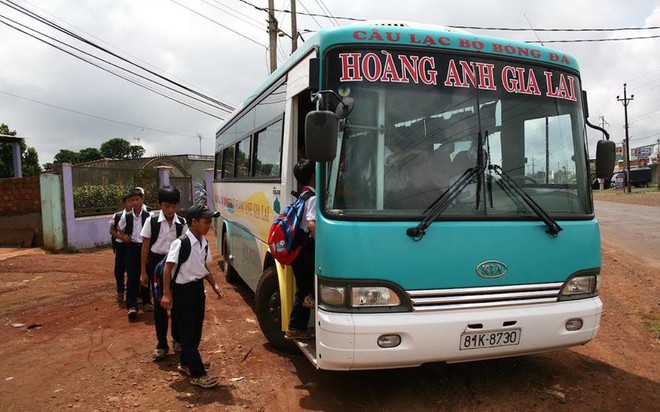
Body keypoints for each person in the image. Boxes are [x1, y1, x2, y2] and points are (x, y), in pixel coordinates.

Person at [160, 204, 223, 389]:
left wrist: (214, 285)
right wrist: (165, 294)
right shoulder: (180, 243)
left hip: (197, 290)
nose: (209, 226)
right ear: (193, 222)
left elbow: (203, 267)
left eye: (210, 222)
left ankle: (186, 363)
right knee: (188, 334)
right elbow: (167, 269)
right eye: (206, 222)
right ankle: (198, 373)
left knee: (196, 332)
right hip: (182, 292)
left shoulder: (203, 243)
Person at [140, 186, 186, 360]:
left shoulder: (182, 223)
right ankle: (161, 344)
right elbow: (145, 247)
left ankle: (177, 339)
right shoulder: (151, 222)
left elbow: (185, 247)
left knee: (177, 304)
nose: (170, 210)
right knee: (160, 305)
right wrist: (143, 272)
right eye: (167, 206)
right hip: (157, 266)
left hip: (175, 267)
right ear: (159, 204)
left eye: (174, 206)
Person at [285, 158, 317, 340]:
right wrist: (321, 244)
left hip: (298, 248)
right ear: (314, 176)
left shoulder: (303, 194)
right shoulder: (312, 197)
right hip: (306, 248)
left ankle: (296, 328)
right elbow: (311, 224)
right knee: (307, 289)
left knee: (303, 289)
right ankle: (295, 328)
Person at [117, 187, 153, 321]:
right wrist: (124, 237)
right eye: (132, 200)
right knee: (132, 276)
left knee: (146, 275)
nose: (135, 202)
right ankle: (131, 306)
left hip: (146, 248)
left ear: (142, 200)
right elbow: (119, 228)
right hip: (132, 248)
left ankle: (147, 301)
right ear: (129, 202)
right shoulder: (126, 216)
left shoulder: (149, 215)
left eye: (137, 199)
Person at [109, 193, 131, 303]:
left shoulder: (139, 216)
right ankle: (120, 290)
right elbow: (112, 230)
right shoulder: (118, 216)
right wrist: (122, 237)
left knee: (132, 269)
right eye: (128, 201)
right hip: (121, 245)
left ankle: (133, 292)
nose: (131, 204)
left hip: (132, 245)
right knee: (119, 269)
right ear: (124, 203)